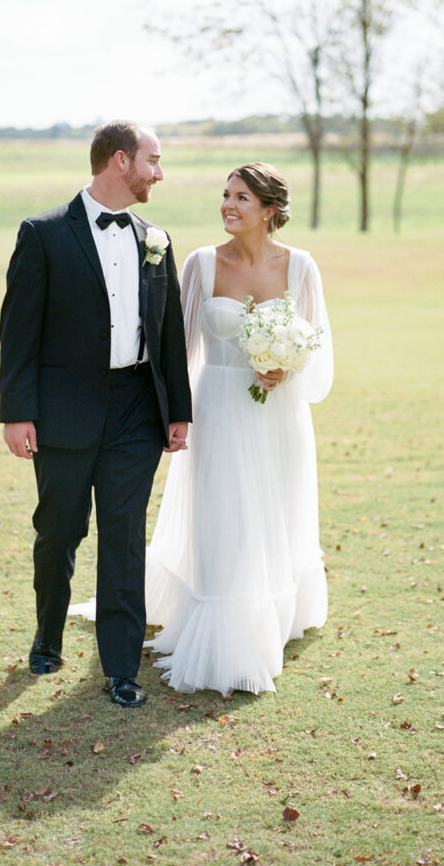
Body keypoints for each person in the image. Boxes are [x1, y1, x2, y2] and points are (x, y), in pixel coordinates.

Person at [0, 121, 192, 708]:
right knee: (59, 531)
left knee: (124, 536)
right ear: (119, 161)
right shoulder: (43, 234)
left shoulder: (155, 237)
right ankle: (48, 636)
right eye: (153, 160)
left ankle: (119, 668)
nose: (160, 173)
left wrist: (177, 409)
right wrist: (16, 412)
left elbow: (168, 331)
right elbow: (18, 331)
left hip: (135, 410)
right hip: (62, 411)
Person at [145, 162, 333, 696]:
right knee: (228, 518)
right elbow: (177, 351)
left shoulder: (301, 268)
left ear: (270, 210)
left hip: (279, 415)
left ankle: (274, 612)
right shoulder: (202, 265)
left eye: (242, 197)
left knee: (272, 514)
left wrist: (286, 366)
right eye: (225, 194)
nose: (228, 204)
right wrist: (173, 419)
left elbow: (316, 348)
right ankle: (229, 638)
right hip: (219, 411)